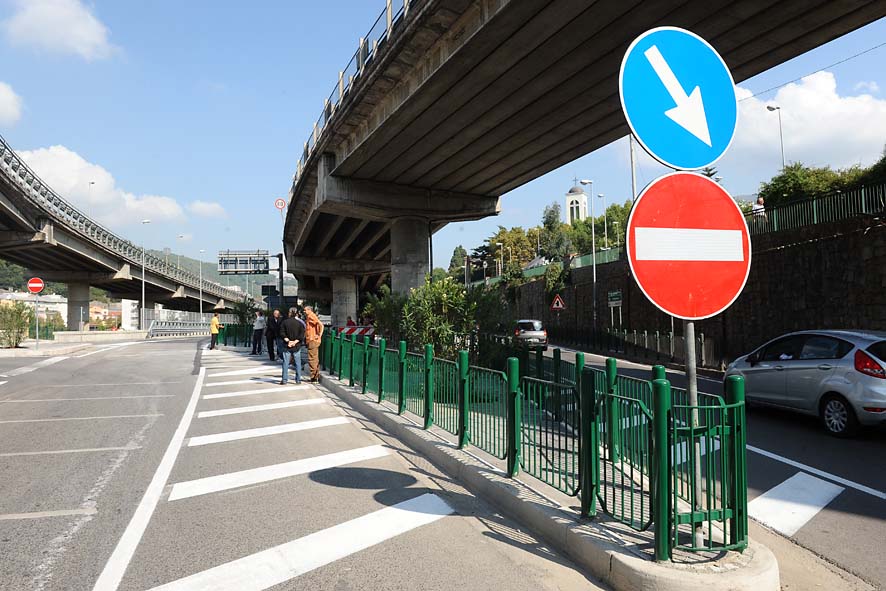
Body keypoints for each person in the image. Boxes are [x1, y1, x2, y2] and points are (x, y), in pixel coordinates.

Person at [279, 307, 305, 385]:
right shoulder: (300, 323)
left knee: (285, 363)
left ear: (289, 313)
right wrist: (295, 342)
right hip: (297, 345)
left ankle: (284, 380)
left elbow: (281, 333)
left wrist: (288, 341)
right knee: (298, 363)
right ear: (296, 313)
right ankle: (298, 380)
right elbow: (302, 335)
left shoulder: (285, 322)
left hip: (287, 345)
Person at [304, 305, 324, 382]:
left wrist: (319, 335)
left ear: (309, 310)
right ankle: (315, 375)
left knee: (312, 359)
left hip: (312, 340)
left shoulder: (311, 316)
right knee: (315, 359)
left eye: (305, 310)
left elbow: (320, 324)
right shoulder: (311, 316)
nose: (304, 312)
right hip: (313, 340)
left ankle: (314, 377)